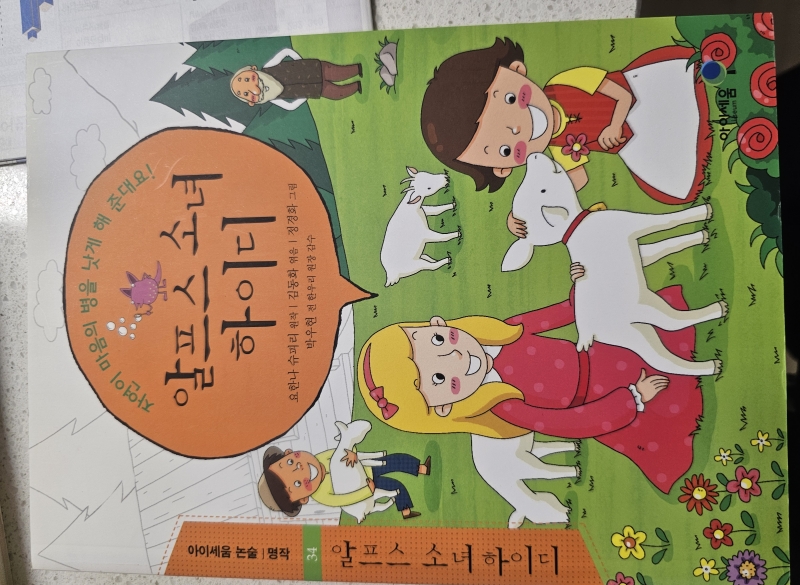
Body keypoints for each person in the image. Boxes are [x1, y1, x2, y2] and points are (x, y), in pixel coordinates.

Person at [357, 266, 702, 494]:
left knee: (666, 341)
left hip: (605, 352)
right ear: (444, 408)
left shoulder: (504, 331)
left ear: (436, 323)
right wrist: (631, 400)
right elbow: (569, 424)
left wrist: (580, 288)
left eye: (437, 341)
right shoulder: (505, 404)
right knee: (677, 406)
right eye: (438, 377)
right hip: (605, 399)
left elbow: (561, 314)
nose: (456, 356)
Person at [420, 37, 712, 231]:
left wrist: (614, 124)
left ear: (517, 70)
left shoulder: (564, 83)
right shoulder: (559, 148)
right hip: (633, 144)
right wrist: (526, 210)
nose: (517, 128)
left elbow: (621, 94)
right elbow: (576, 180)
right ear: (502, 169)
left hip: (641, 93)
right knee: (678, 172)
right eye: (505, 150)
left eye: (510, 99)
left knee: (685, 96)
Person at [257, 446, 431, 519]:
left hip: (367, 465)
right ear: (303, 499)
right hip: (367, 483)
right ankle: (406, 512)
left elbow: (338, 452)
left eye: (290, 462)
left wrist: (352, 453)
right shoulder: (322, 495)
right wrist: (367, 491)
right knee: (396, 486)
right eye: (297, 484)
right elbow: (344, 499)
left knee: (396, 460)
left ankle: (422, 468)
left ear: (289, 452)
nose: (299, 468)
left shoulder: (319, 458)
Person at [231, 48, 362, 110]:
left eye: (247, 79)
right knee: (336, 93)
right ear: (251, 102)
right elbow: (290, 106)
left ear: (253, 69)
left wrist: (300, 63)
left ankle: (357, 69)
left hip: (314, 69)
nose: (253, 88)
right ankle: (357, 86)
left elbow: (285, 52)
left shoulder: (267, 68)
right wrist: (304, 96)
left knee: (335, 72)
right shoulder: (272, 98)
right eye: (245, 94)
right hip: (315, 90)